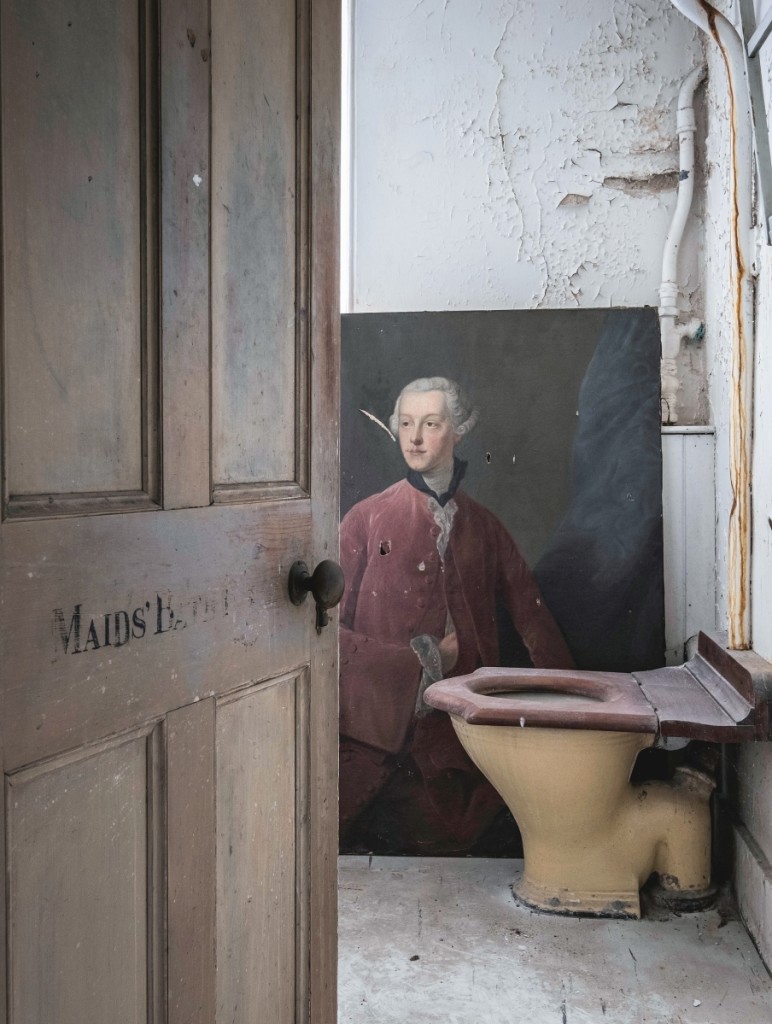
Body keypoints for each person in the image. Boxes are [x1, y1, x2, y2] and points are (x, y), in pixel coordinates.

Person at [339, 376, 574, 853]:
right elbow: (323, 636)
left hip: (464, 744)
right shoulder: (363, 519)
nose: (415, 437)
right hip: (374, 743)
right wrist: (420, 662)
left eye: (431, 423)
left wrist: (575, 704)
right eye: (405, 424)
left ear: (459, 430)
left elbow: (534, 621)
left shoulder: (485, 527)